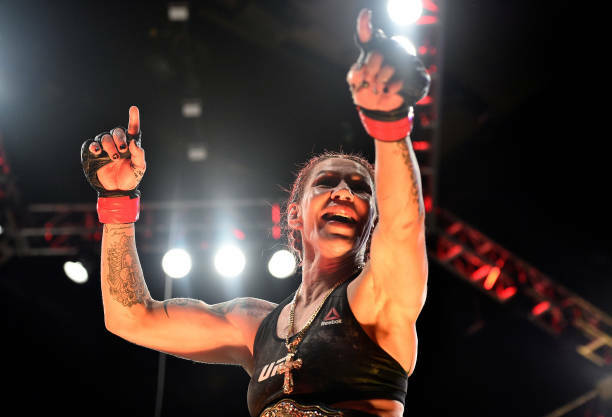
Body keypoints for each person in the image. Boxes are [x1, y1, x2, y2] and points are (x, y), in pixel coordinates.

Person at [80, 9, 429, 417]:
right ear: (294, 216)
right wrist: (117, 201)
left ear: (371, 221)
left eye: (360, 188)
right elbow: (130, 317)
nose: (342, 192)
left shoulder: (380, 299)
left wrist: (388, 121)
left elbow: (404, 227)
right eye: (326, 182)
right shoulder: (254, 326)